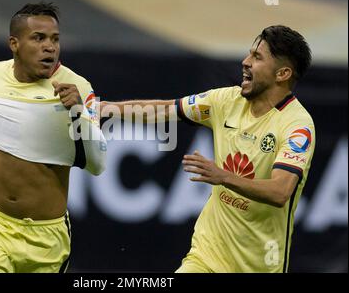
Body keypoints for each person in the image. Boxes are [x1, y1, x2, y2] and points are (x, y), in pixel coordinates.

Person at [101, 25, 314, 272]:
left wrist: (223, 176)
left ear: (282, 73)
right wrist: (105, 109)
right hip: (207, 256)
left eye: (257, 57)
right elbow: (165, 109)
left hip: (259, 264)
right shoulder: (225, 102)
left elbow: (280, 191)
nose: (245, 62)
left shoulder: (297, 125)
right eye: (249, 54)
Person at [0, 2, 106, 273]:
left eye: (55, 39)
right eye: (38, 38)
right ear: (14, 43)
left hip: (46, 239)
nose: (50, 47)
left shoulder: (78, 87)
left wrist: (79, 111)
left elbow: (98, 163)